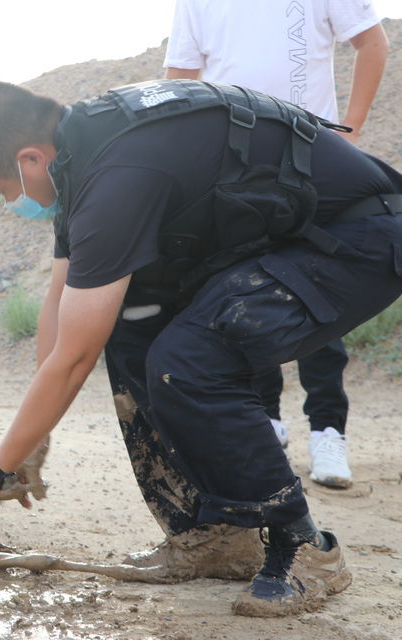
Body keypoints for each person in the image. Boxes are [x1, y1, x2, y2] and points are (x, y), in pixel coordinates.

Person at [0, 78, 402, 616]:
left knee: (189, 361)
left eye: (3, 191)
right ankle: (211, 536)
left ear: (30, 159)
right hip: (298, 243)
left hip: (360, 238)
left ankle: (306, 546)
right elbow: (66, 308)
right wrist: (32, 439)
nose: (10, 204)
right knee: (136, 328)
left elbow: (73, 361)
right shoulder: (85, 152)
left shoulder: (118, 175)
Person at [163, 0, 391, 489]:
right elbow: (180, 80)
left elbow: (372, 41)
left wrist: (350, 127)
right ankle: (267, 421)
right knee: (243, 292)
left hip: (316, 161)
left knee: (320, 297)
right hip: (236, 171)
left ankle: (328, 431)